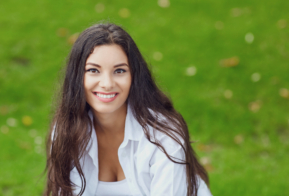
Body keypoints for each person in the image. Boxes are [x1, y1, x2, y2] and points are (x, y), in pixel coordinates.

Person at [45, 23, 212, 196]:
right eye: (93, 70)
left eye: (119, 71)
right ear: (77, 77)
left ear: (134, 76)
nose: (107, 84)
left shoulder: (164, 135)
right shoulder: (66, 130)